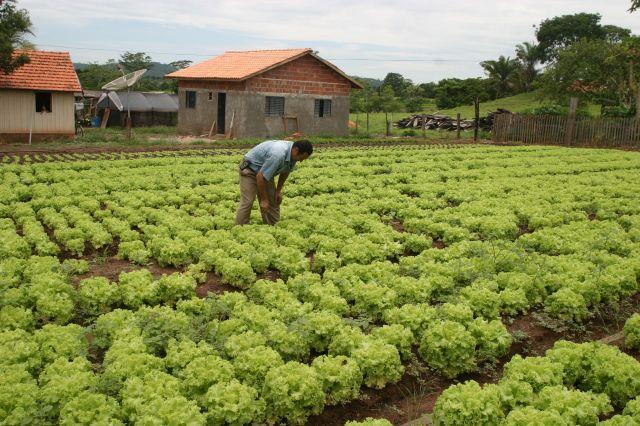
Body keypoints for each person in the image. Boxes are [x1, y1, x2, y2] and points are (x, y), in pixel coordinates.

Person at [235, 139, 313, 225]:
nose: (301, 160)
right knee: (248, 202)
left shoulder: (292, 154)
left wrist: (278, 191)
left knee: (273, 200)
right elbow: (260, 177)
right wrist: (264, 200)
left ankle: (273, 227)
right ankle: (240, 227)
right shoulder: (278, 154)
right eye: (301, 157)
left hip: (265, 171)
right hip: (250, 169)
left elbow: (285, 171)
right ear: (296, 150)